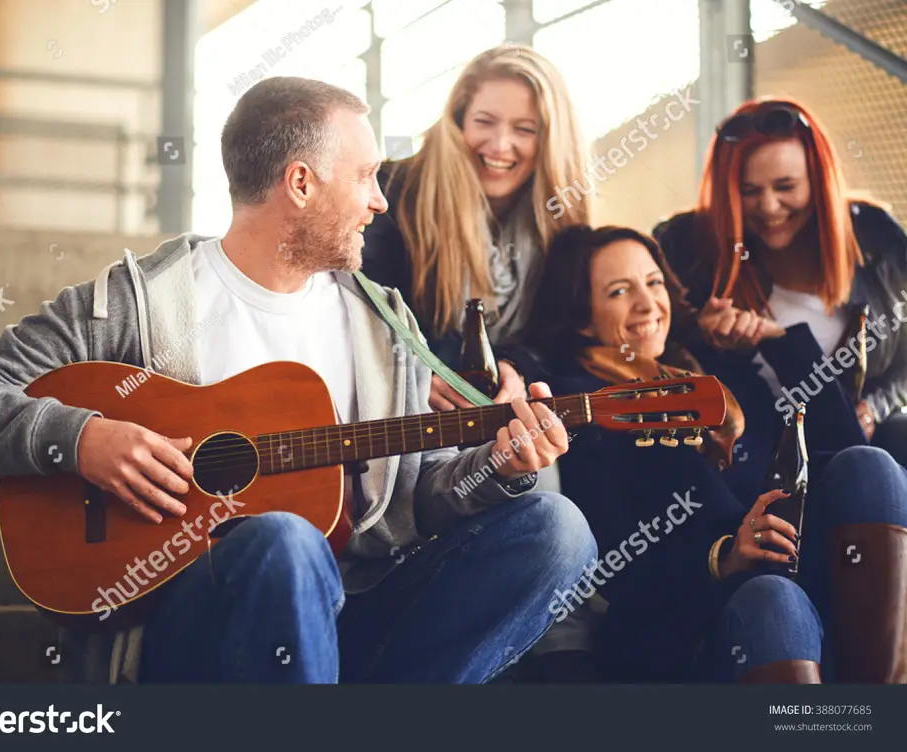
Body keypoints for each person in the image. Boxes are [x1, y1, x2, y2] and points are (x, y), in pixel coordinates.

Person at [0, 77, 597, 684]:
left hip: (361, 609)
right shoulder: (136, 303)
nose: (382, 202)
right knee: (284, 542)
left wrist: (499, 467)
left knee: (556, 528)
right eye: (366, 176)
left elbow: (423, 495)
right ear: (301, 183)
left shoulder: (383, 320)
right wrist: (81, 437)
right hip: (200, 621)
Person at [521, 224, 907, 683]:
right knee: (772, 600)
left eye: (654, 282)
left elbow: (847, 446)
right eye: (620, 291)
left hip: (790, 565)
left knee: (871, 466)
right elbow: (616, 565)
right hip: (695, 616)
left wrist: (777, 341)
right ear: (583, 316)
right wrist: (724, 556)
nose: (647, 305)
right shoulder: (581, 404)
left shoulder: (716, 369)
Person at [653, 97, 907, 465]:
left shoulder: (875, 236)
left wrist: (875, 407)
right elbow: (647, 347)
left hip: (849, 442)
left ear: (818, 182)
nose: (769, 207)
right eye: (749, 191)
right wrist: (699, 335)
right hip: (747, 448)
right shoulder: (683, 244)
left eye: (785, 187)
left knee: (874, 459)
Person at [361, 43, 590, 411]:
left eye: (525, 129)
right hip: (403, 411)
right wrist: (418, 375)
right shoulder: (392, 191)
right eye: (484, 122)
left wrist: (516, 369)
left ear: (550, 140)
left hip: (507, 415)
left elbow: (560, 339)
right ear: (458, 119)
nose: (500, 145)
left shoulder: (563, 229)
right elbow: (362, 304)